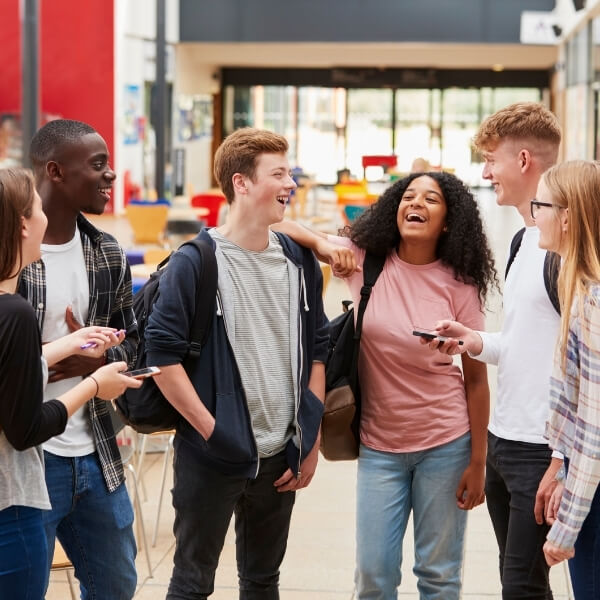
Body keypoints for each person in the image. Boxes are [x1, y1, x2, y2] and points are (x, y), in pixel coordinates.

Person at [275, 170, 497, 599]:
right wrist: (324, 245)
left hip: (446, 444)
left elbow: (476, 380)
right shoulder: (365, 260)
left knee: (438, 575)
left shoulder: (461, 284)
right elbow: (275, 223)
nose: (416, 204)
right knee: (374, 577)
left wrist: (478, 460)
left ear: (448, 221)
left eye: (431, 199)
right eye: (408, 196)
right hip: (379, 447)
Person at [144, 127, 328, 599]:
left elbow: (319, 347)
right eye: (279, 173)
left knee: (263, 581)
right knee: (191, 583)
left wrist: (310, 436)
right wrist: (212, 433)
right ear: (241, 183)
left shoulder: (298, 260)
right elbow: (161, 357)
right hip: (212, 457)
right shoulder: (195, 261)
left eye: (291, 172)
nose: (291, 183)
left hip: (280, 457)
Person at [427, 102, 563, 599]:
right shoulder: (526, 239)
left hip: (542, 446)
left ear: (524, 160)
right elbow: (529, 344)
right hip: (505, 439)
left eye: (491, 159)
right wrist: (475, 341)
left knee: (523, 588)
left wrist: (563, 459)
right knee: (520, 586)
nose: (485, 172)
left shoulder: (565, 250)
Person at [0, 168, 141, 600]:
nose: (110, 173)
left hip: (91, 456)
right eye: (37, 207)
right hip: (15, 496)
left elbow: (8, 369)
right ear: (24, 223)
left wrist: (67, 345)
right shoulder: (16, 311)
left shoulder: (105, 250)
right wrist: (95, 384)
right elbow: (24, 429)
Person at [531, 160, 600, 599]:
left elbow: (595, 431)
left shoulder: (593, 303)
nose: (534, 213)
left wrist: (566, 528)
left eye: (542, 204)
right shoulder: (579, 287)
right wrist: (559, 463)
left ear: (568, 216)